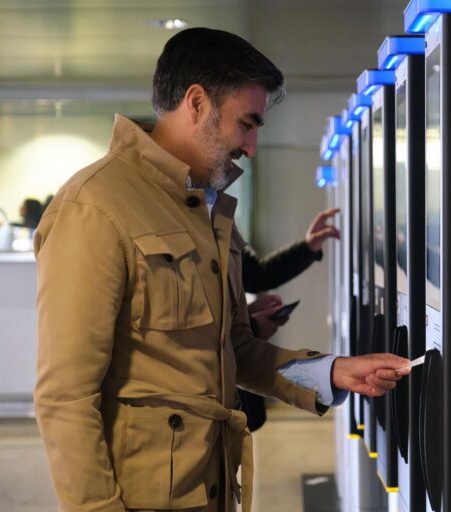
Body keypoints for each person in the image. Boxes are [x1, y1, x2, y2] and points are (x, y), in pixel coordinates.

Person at [33, 27, 409, 512]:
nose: (250, 147)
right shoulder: (96, 206)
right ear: (196, 103)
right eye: (246, 124)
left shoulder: (202, 210)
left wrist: (331, 372)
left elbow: (235, 349)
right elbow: (65, 396)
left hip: (211, 486)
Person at [239, 207, 341, 431]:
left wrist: (307, 247)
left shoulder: (214, 211)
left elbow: (255, 274)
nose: (231, 171)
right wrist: (251, 323)